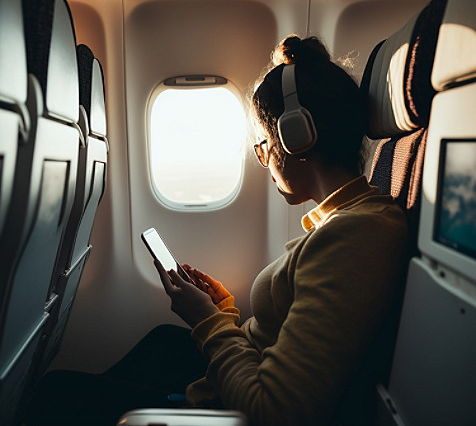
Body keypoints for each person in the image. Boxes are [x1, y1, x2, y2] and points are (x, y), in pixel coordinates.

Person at [26, 35, 408, 426]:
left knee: (56, 396)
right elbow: (280, 337)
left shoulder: (355, 236)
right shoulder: (344, 220)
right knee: (151, 347)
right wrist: (222, 311)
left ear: (297, 136)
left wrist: (208, 321)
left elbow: (273, 411)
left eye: (261, 145)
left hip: (230, 409)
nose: (263, 160)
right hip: (228, 388)